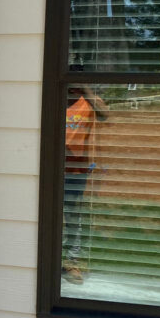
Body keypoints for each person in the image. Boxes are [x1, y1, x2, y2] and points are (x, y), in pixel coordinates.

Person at [63, 82, 108, 285]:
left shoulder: (86, 102)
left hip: (76, 171)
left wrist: (86, 89)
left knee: (73, 216)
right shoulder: (54, 101)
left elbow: (105, 114)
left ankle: (72, 261)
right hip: (50, 170)